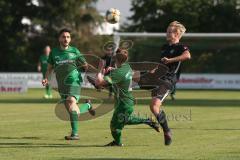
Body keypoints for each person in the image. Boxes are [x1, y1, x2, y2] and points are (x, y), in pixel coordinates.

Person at [94, 48, 160, 147]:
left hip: (124, 103)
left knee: (115, 126)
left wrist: (100, 69)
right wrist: (113, 69)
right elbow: (131, 74)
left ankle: (118, 143)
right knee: (126, 120)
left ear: (115, 58)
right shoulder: (127, 67)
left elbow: (99, 83)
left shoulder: (118, 73)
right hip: (126, 102)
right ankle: (148, 121)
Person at [42, 28, 95, 140]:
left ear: (70, 39)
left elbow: (85, 65)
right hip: (62, 85)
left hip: (74, 81)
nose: (66, 39)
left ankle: (75, 134)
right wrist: (46, 78)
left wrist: (90, 70)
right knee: (74, 111)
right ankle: (88, 105)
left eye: (68, 37)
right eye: (63, 37)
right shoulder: (54, 53)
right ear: (59, 38)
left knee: (71, 102)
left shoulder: (74, 51)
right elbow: (49, 68)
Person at [146, 21, 191, 145]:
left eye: (170, 31)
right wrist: (154, 70)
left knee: (154, 105)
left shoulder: (181, 47)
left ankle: (167, 131)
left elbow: (187, 56)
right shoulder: (164, 47)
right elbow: (162, 64)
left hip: (168, 80)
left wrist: (170, 60)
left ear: (177, 34)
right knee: (154, 107)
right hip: (158, 79)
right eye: (167, 31)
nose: (167, 33)